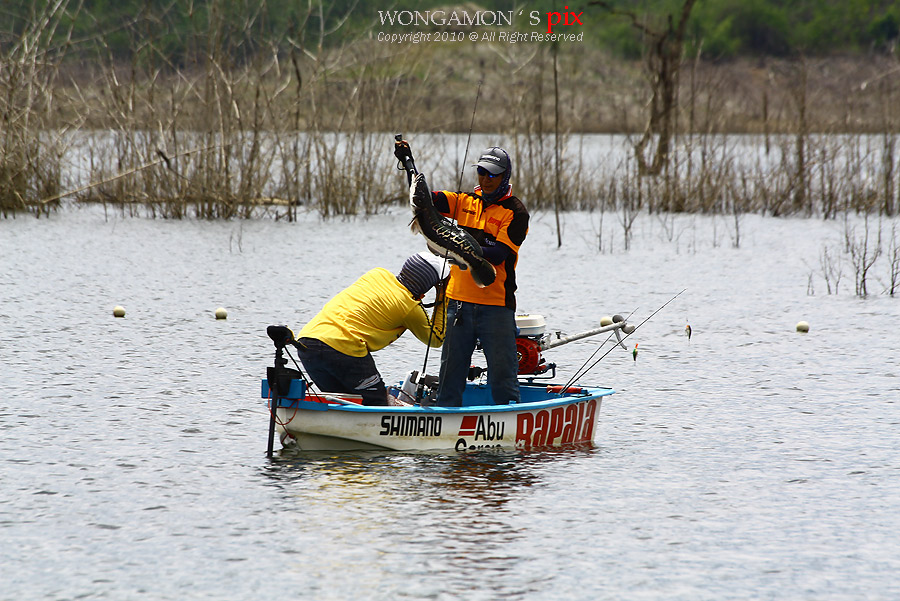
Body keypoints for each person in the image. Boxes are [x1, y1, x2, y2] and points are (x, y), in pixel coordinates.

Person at [431, 146, 529, 406]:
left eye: (492, 175)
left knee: (503, 379)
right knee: (450, 376)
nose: (485, 179)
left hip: (496, 307)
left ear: (505, 177)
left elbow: (497, 254)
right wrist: (410, 167)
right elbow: (428, 199)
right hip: (458, 304)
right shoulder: (464, 201)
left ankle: (508, 425)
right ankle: (444, 423)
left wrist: (454, 244)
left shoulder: (516, 213)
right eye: (481, 173)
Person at [295, 252, 448, 406]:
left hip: (308, 342)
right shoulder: (409, 306)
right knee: (377, 402)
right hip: (344, 347)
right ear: (427, 285)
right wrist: (443, 295)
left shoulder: (377, 274)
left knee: (342, 400)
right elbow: (436, 339)